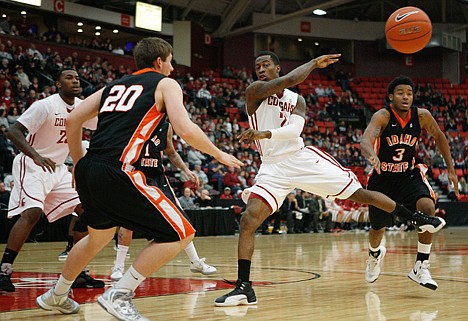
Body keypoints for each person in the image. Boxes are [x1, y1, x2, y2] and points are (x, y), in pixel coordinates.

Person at [214, 51, 445, 307]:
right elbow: (285, 82)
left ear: (278, 67)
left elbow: (295, 130)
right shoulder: (255, 91)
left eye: (266, 65)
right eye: (257, 66)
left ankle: (415, 217)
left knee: (359, 194)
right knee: (249, 219)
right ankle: (244, 287)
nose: (260, 69)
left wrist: (266, 132)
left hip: (300, 158)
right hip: (272, 167)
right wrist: (312, 65)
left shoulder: (296, 99)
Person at [36, 37, 242, 320]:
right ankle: (119, 294)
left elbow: (74, 121)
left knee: (98, 237)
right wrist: (218, 154)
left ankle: (56, 294)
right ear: (160, 61)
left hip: (90, 168)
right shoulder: (165, 83)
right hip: (121, 168)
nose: (172, 69)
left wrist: (77, 164)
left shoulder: (113, 86)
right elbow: (185, 128)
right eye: (170, 62)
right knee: (182, 232)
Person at [0, 68, 102, 293]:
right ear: (57, 84)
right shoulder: (44, 105)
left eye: (77, 77)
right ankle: (4, 271)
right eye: (68, 77)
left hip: (57, 169)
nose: (75, 80)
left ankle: (77, 274)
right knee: (32, 213)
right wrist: (35, 155)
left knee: (87, 210)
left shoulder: (81, 107)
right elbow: (14, 132)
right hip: (33, 164)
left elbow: (100, 122)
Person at [360, 75, 459, 290]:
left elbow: (440, 137)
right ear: (390, 97)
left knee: (427, 207)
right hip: (382, 177)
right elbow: (366, 138)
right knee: (378, 228)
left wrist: (451, 169)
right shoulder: (383, 116)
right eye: (400, 93)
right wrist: (371, 155)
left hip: (408, 174)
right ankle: (375, 255)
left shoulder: (422, 116)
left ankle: (421, 266)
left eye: (409, 93)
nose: (405, 97)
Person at [110, 121, 217, 281]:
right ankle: (118, 267)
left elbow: (171, 152)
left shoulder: (165, 126)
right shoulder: (135, 118)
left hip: (158, 177)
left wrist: (185, 169)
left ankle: (195, 262)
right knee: (127, 224)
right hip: (136, 174)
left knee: (181, 220)